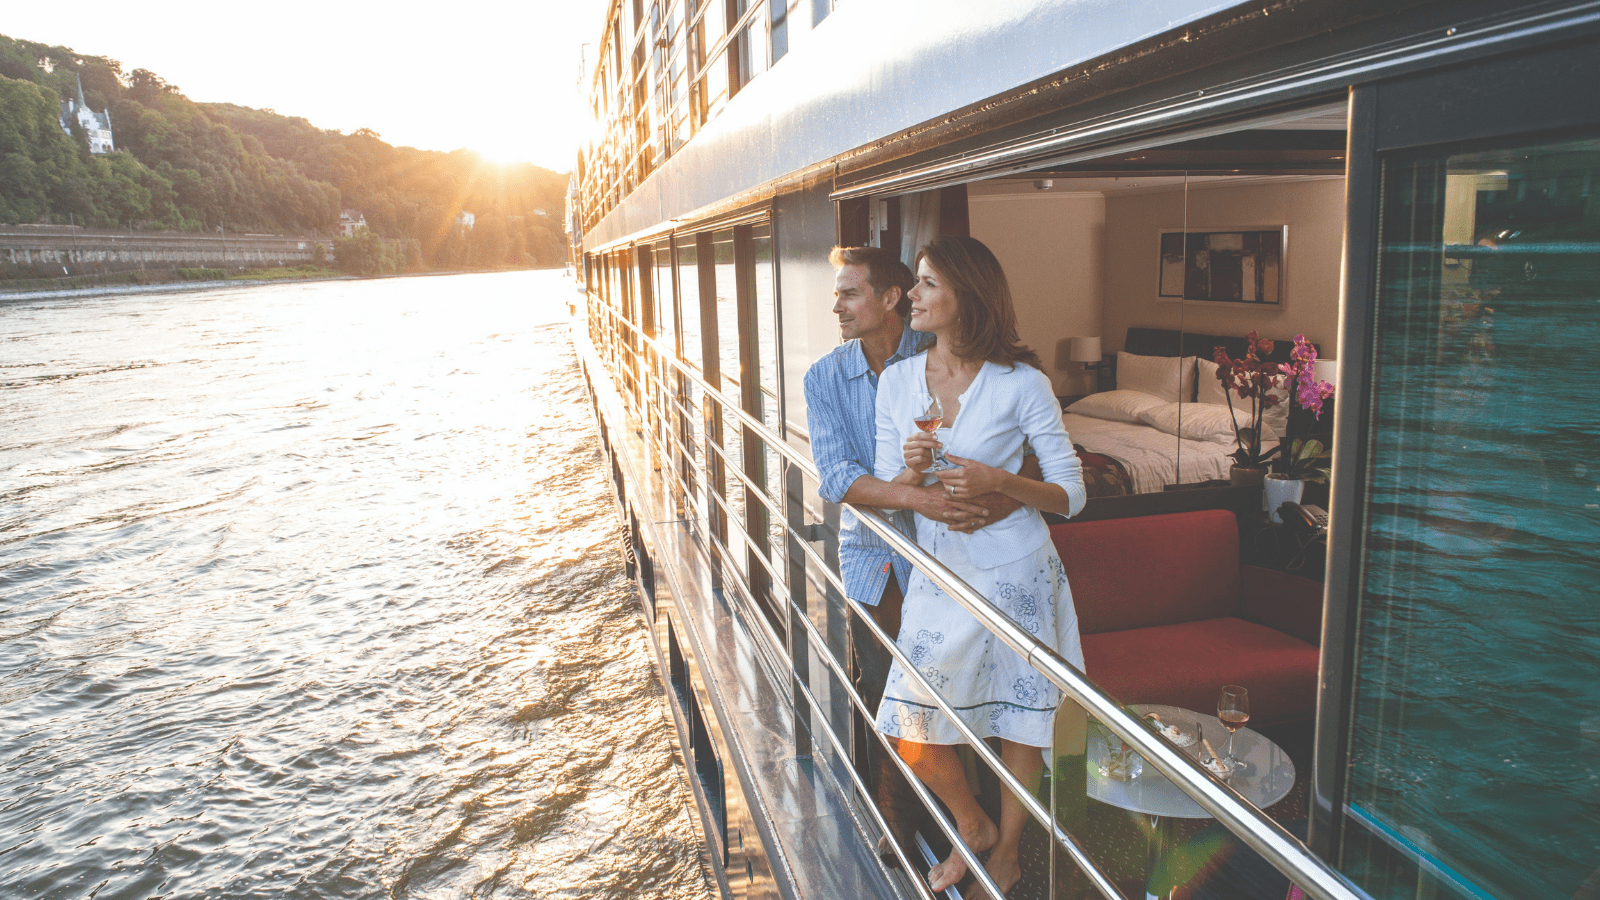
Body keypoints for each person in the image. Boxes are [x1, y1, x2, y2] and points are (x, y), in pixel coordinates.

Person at [803, 245, 1033, 857]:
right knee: (889, 686)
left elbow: (1015, 453)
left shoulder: (943, 355)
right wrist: (919, 499)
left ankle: (979, 818)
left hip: (957, 549)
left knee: (971, 679)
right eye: (837, 295)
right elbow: (839, 479)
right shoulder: (824, 378)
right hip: (874, 553)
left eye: (849, 294)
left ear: (888, 299)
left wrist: (989, 504)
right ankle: (901, 817)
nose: (836, 306)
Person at [873, 235, 1086, 895]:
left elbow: (1071, 493)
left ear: (967, 295)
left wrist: (1003, 481)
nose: (912, 295)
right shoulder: (897, 382)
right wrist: (911, 471)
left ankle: (1009, 851)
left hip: (1017, 571)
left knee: (1023, 719)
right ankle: (974, 823)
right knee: (909, 720)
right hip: (940, 575)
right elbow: (886, 485)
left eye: (928, 283)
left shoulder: (1022, 384)